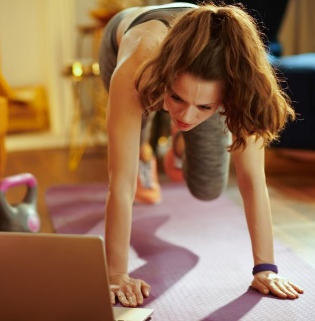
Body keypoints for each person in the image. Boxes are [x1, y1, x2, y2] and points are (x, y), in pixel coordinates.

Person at [98, 2, 304, 307]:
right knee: (134, 142)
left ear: (226, 96)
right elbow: (121, 183)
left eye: (206, 107)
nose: (187, 116)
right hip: (125, 44)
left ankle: (179, 143)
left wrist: (266, 268)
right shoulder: (137, 62)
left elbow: (252, 179)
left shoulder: (242, 77)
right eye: (177, 98)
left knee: (207, 187)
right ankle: (145, 149)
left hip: (195, 70)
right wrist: (116, 274)